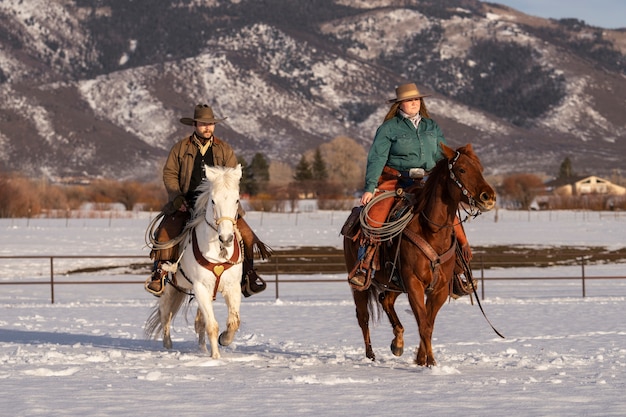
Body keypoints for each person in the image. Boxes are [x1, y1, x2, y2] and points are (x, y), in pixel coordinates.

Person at [349, 83, 472, 289]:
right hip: (395, 181)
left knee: (451, 220)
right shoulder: (389, 128)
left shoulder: (431, 126)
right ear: (399, 104)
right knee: (375, 219)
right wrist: (370, 187)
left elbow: (443, 154)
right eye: (408, 100)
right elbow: (377, 158)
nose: (413, 103)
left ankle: (458, 271)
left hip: (426, 181)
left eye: (416, 99)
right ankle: (365, 265)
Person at [145, 104, 270, 297]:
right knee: (164, 233)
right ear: (195, 125)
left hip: (218, 205)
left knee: (247, 235)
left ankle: (249, 276)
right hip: (186, 202)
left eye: (210, 124)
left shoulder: (224, 149)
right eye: (203, 124)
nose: (207, 128)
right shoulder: (180, 148)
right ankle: (159, 273)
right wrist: (177, 197)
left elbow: (231, 177)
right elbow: (169, 173)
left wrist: (227, 199)